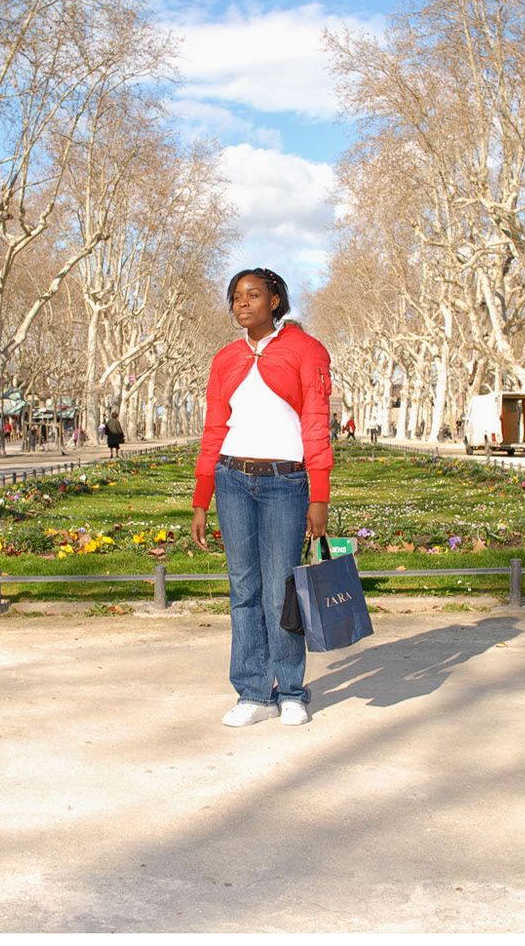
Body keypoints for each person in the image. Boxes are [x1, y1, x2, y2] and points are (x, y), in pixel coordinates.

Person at [190, 266, 333, 728]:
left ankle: (290, 691)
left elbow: (316, 422)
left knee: (279, 591)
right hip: (232, 479)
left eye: (253, 295)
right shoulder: (225, 358)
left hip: (284, 483)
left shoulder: (306, 350)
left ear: (274, 300)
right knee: (243, 590)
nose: (242, 303)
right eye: (236, 296)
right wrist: (201, 498)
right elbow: (214, 429)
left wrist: (319, 494)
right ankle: (253, 692)